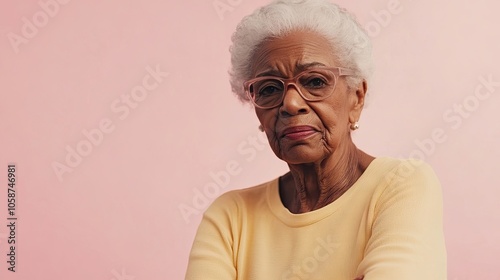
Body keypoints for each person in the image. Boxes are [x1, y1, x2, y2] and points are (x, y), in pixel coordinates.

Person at [185, 0, 447, 279]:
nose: (290, 103)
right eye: (269, 88)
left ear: (356, 97)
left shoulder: (401, 184)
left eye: (315, 81)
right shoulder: (230, 217)